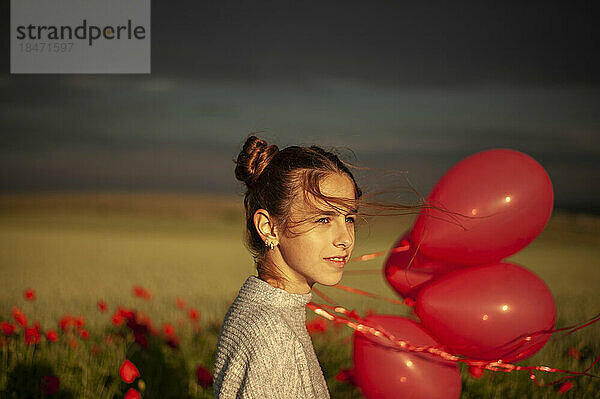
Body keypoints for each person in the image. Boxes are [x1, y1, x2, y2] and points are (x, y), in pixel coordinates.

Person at [213, 135, 362, 398]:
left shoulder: (261, 310)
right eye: (323, 219)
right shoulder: (272, 334)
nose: (345, 239)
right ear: (269, 228)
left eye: (349, 218)